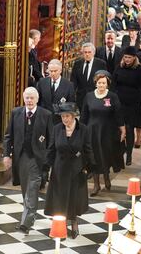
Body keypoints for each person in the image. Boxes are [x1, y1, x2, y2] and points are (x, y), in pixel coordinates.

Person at [3, 87, 53, 234]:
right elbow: (8, 136)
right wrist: (6, 155)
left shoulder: (46, 115)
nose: (29, 100)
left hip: (37, 159)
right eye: (27, 98)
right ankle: (30, 215)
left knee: (32, 189)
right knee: (26, 189)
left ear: (37, 99)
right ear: (23, 99)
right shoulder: (16, 113)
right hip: (21, 157)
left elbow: (51, 139)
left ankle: (26, 222)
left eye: (32, 98)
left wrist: (47, 159)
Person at [44, 102, 95, 239]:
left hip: (76, 169)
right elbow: (51, 149)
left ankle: (74, 223)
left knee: (74, 198)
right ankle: (60, 227)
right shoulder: (56, 129)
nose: (65, 119)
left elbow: (88, 149)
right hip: (59, 169)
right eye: (62, 116)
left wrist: (89, 168)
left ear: (73, 116)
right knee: (59, 199)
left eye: (67, 116)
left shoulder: (83, 129)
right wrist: (46, 168)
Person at [81, 70, 126, 196]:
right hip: (92, 132)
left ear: (107, 84)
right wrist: (80, 131)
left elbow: (118, 114)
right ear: (96, 83)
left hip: (108, 132)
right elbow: (84, 115)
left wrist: (122, 129)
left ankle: (106, 177)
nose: (101, 85)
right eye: (99, 83)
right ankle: (96, 185)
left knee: (105, 155)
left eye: (104, 83)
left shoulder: (112, 96)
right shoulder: (89, 96)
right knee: (93, 157)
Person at [113, 47, 141, 166]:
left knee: (129, 128)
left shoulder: (139, 70)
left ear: (134, 58)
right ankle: (121, 151)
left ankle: (129, 154)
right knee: (119, 129)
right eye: (125, 57)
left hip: (133, 104)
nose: (127, 59)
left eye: (129, 57)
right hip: (120, 103)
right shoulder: (119, 68)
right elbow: (113, 84)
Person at [36, 59, 75, 123]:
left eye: (55, 71)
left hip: (59, 121)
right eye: (51, 71)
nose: (53, 73)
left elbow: (70, 105)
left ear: (60, 70)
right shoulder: (42, 82)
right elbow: (38, 101)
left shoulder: (69, 85)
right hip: (43, 119)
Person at [70, 43, 107, 111]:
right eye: (85, 52)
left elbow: (104, 82)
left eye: (89, 52)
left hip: (96, 97)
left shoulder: (101, 64)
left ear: (94, 52)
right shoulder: (77, 64)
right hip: (81, 98)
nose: (87, 54)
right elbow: (73, 81)